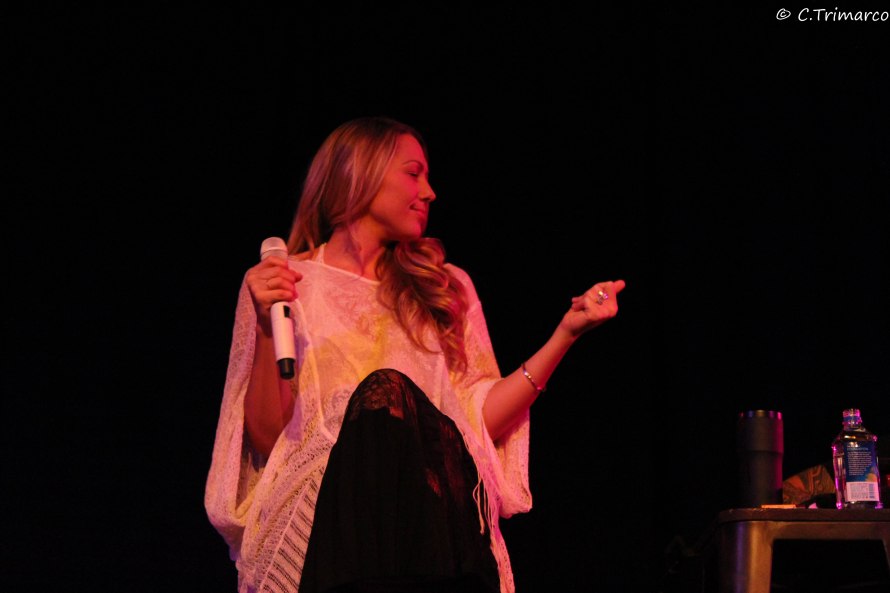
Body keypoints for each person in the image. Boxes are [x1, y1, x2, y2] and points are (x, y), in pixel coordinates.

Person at [205, 116, 625, 593]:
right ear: (359, 173)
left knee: (396, 399)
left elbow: (474, 420)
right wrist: (267, 327)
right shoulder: (285, 283)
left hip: (428, 529)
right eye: (413, 173)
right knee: (383, 394)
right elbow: (267, 439)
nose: (429, 192)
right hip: (330, 529)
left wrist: (565, 334)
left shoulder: (444, 287)